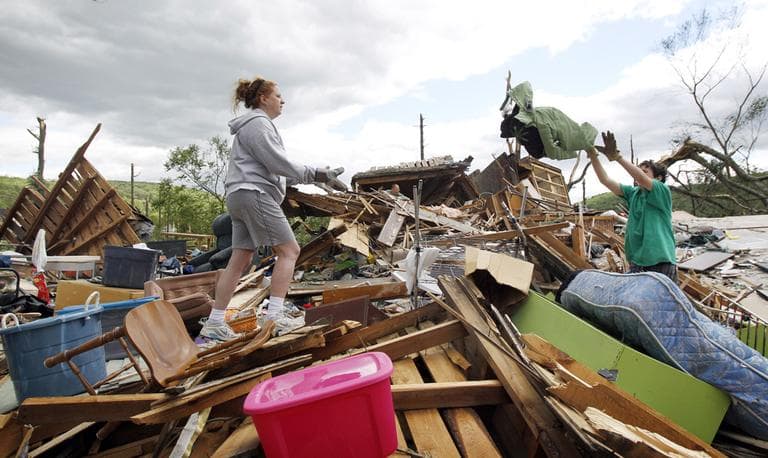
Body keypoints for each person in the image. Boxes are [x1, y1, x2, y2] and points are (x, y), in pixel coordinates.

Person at [199, 76, 347, 341]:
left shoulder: (254, 126)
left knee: (240, 259)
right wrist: (318, 173)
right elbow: (279, 163)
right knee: (289, 251)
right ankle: (274, 319)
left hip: (241, 194)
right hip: (254, 193)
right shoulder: (258, 124)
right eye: (278, 95)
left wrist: (318, 180)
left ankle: (215, 321)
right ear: (263, 98)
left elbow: (276, 171)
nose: (283, 100)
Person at [587, 131, 677, 282]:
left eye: (645, 171)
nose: (639, 175)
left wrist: (618, 157)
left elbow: (640, 178)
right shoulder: (633, 194)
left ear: (658, 178)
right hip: (637, 261)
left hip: (659, 261)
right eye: (639, 170)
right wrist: (593, 156)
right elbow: (606, 180)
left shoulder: (661, 191)